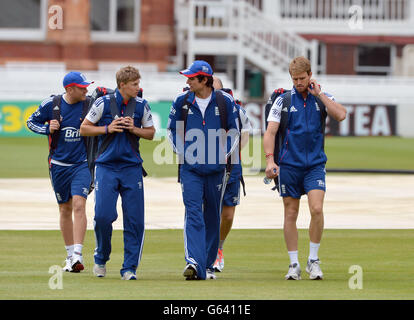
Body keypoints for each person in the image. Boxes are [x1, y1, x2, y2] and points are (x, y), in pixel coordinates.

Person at [263, 56, 347, 280]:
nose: (298, 82)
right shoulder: (283, 100)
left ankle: (313, 260)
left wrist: (318, 93)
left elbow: (341, 114)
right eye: (295, 79)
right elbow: (270, 132)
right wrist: (270, 161)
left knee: (316, 209)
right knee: (290, 213)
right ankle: (293, 264)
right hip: (289, 166)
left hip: (315, 165)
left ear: (310, 75)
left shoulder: (321, 97)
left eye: (302, 78)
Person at [80, 66, 155, 280]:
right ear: (122, 85)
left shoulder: (142, 105)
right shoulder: (102, 103)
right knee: (103, 216)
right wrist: (107, 128)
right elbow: (84, 128)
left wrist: (134, 129)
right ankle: (101, 257)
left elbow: (150, 134)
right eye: (134, 84)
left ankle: (129, 268)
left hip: (132, 168)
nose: (138, 88)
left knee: (135, 221)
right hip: (106, 167)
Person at [167, 60, 240, 280]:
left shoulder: (225, 101)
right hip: (190, 170)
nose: (187, 82)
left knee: (212, 217)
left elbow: (235, 132)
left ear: (204, 80)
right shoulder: (181, 101)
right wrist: (185, 155)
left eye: (191, 78)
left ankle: (207, 265)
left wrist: (223, 155)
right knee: (193, 214)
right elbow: (172, 132)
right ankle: (193, 262)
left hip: (217, 170)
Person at [27, 71, 94, 273]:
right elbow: (31, 122)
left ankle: (78, 255)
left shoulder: (90, 103)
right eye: (82, 87)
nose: (86, 90)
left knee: (79, 204)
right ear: (69, 89)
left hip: (82, 164)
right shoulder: (51, 104)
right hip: (57, 165)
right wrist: (47, 129)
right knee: (64, 208)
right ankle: (69, 255)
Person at [211, 76, 252, 272]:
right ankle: (204, 251)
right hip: (206, 166)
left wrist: (232, 153)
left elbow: (245, 134)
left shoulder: (235, 108)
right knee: (206, 210)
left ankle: (218, 248)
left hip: (231, 166)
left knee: (227, 214)